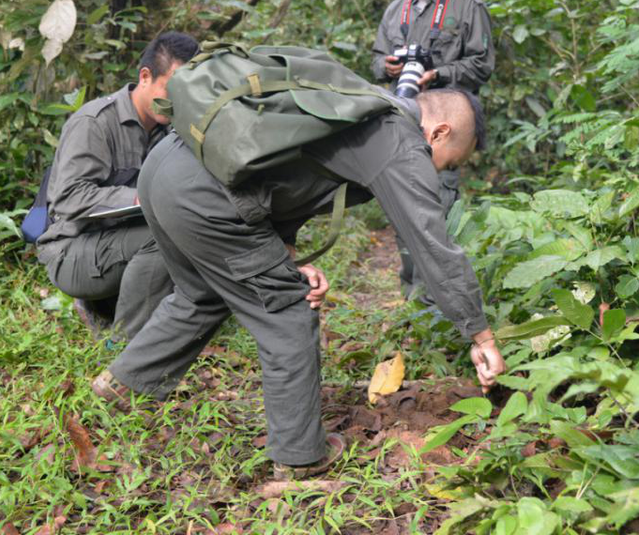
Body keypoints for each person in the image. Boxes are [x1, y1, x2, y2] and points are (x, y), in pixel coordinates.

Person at [92, 88, 506, 479]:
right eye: (449, 162)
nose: (440, 171)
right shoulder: (399, 140)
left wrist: (283, 255)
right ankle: (299, 459)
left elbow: (284, 178)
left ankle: (122, 385)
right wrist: (481, 335)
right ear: (439, 132)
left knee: (201, 294)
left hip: (167, 166)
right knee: (288, 313)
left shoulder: (361, 107)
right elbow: (432, 243)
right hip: (204, 194)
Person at [35, 31, 199, 339]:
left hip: (118, 242)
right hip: (70, 249)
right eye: (171, 89)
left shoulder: (171, 132)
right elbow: (68, 198)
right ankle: (123, 350)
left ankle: (113, 312)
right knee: (163, 238)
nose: (177, 101)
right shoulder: (95, 122)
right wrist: (145, 197)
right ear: (145, 76)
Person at [372, 0, 495, 298]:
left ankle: (435, 301)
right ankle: (413, 295)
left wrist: (439, 72)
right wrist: (387, 66)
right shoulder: (397, 9)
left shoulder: (466, 5)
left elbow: (483, 63)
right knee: (401, 209)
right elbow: (377, 59)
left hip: (442, 128)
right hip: (400, 124)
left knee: (436, 210)